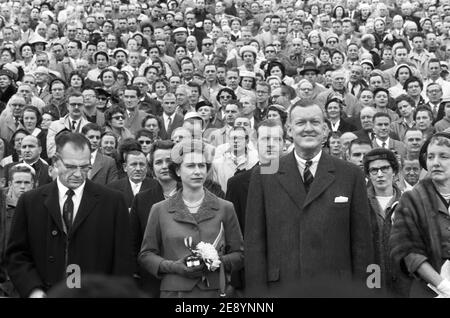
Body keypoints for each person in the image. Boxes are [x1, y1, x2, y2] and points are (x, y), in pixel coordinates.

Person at [245, 103, 374, 297]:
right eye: (300, 122)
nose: (308, 128)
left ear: (325, 129)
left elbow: (363, 244)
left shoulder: (351, 174)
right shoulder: (264, 173)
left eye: (314, 122)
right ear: (289, 129)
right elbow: (254, 244)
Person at [6, 132, 133, 298]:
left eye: (85, 167)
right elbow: (17, 255)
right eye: (71, 167)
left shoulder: (113, 202)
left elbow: (123, 260)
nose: (79, 174)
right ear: (56, 161)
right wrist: (34, 291)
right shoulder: (30, 202)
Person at [139, 139, 244, 298]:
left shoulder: (225, 207)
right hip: (174, 292)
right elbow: (146, 255)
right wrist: (174, 266)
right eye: (190, 166)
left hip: (214, 292)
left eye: (202, 166)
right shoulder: (159, 210)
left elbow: (240, 254)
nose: (198, 171)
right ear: (178, 171)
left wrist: (215, 262)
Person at [390, 132, 450, 297]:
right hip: (428, 290)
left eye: (444, 156)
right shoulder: (412, 199)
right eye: (431, 157)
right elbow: (408, 251)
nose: (435, 162)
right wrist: (443, 286)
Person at [363, 148, 402, 296]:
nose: (379, 174)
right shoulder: (360, 204)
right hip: (371, 275)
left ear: (394, 171)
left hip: (402, 279)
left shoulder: (408, 202)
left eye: (385, 168)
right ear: (368, 175)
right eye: (374, 170)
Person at [0, 164, 35, 297]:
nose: (22, 186)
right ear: (10, 184)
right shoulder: (2, 209)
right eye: (18, 182)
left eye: (26, 182)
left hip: (29, 280)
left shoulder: (41, 209)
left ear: (34, 184)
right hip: (5, 281)